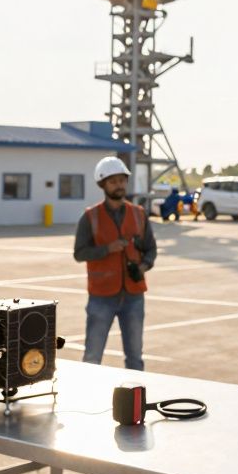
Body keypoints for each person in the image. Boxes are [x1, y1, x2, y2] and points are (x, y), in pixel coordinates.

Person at [73, 156, 157, 370]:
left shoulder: (138, 214)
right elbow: (79, 253)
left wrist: (143, 266)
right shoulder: (90, 217)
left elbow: (151, 249)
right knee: (92, 356)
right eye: (113, 181)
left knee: (135, 358)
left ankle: (136, 401)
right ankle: (87, 401)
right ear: (103, 184)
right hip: (101, 297)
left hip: (134, 296)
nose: (119, 185)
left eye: (122, 180)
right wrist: (107, 249)